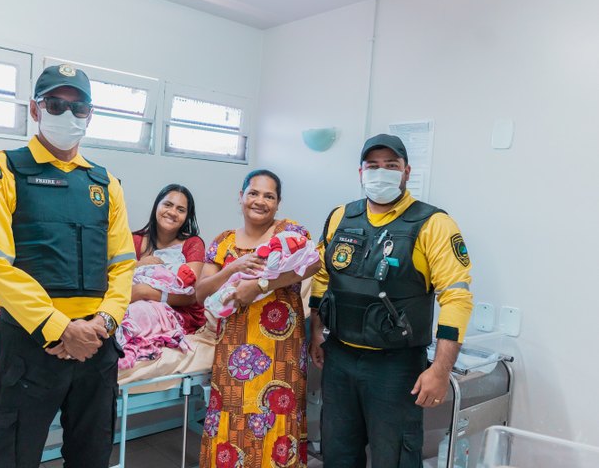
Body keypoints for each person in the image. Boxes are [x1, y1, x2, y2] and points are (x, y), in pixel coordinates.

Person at [0, 64, 135, 468]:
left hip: (97, 343)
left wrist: (103, 325)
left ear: (90, 114)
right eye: (56, 104)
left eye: (79, 107)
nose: (68, 115)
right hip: (31, 344)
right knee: (13, 456)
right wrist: (59, 327)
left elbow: (124, 265)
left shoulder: (105, 183)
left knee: (91, 455)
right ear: (35, 108)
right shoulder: (1, 169)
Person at [308, 134, 473, 468]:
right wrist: (316, 330)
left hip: (395, 367)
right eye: (373, 165)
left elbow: (456, 297)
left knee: (394, 457)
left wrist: (440, 370)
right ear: (360, 172)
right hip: (340, 358)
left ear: (406, 171)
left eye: (391, 166)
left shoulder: (433, 223)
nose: (380, 172)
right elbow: (323, 276)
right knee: (337, 454)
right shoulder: (341, 216)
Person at [196, 169, 320, 468]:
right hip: (234, 347)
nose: (260, 201)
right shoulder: (223, 242)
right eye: (253, 193)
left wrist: (262, 285)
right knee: (233, 412)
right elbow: (200, 293)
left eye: (269, 196)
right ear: (240, 197)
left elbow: (313, 264)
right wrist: (231, 268)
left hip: (281, 351)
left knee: (278, 415)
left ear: (278, 203)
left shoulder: (290, 232)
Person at [131, 184, 206, 333]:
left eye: (181, 210)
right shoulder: (134, 240)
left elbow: (191, 297)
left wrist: (144, 292)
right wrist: (138, 264)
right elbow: (114, 276)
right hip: (134, 303)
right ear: (156, 206)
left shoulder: (193, 244)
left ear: (187, 217)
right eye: (168, 204)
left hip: (178, 311)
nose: (172, 212)